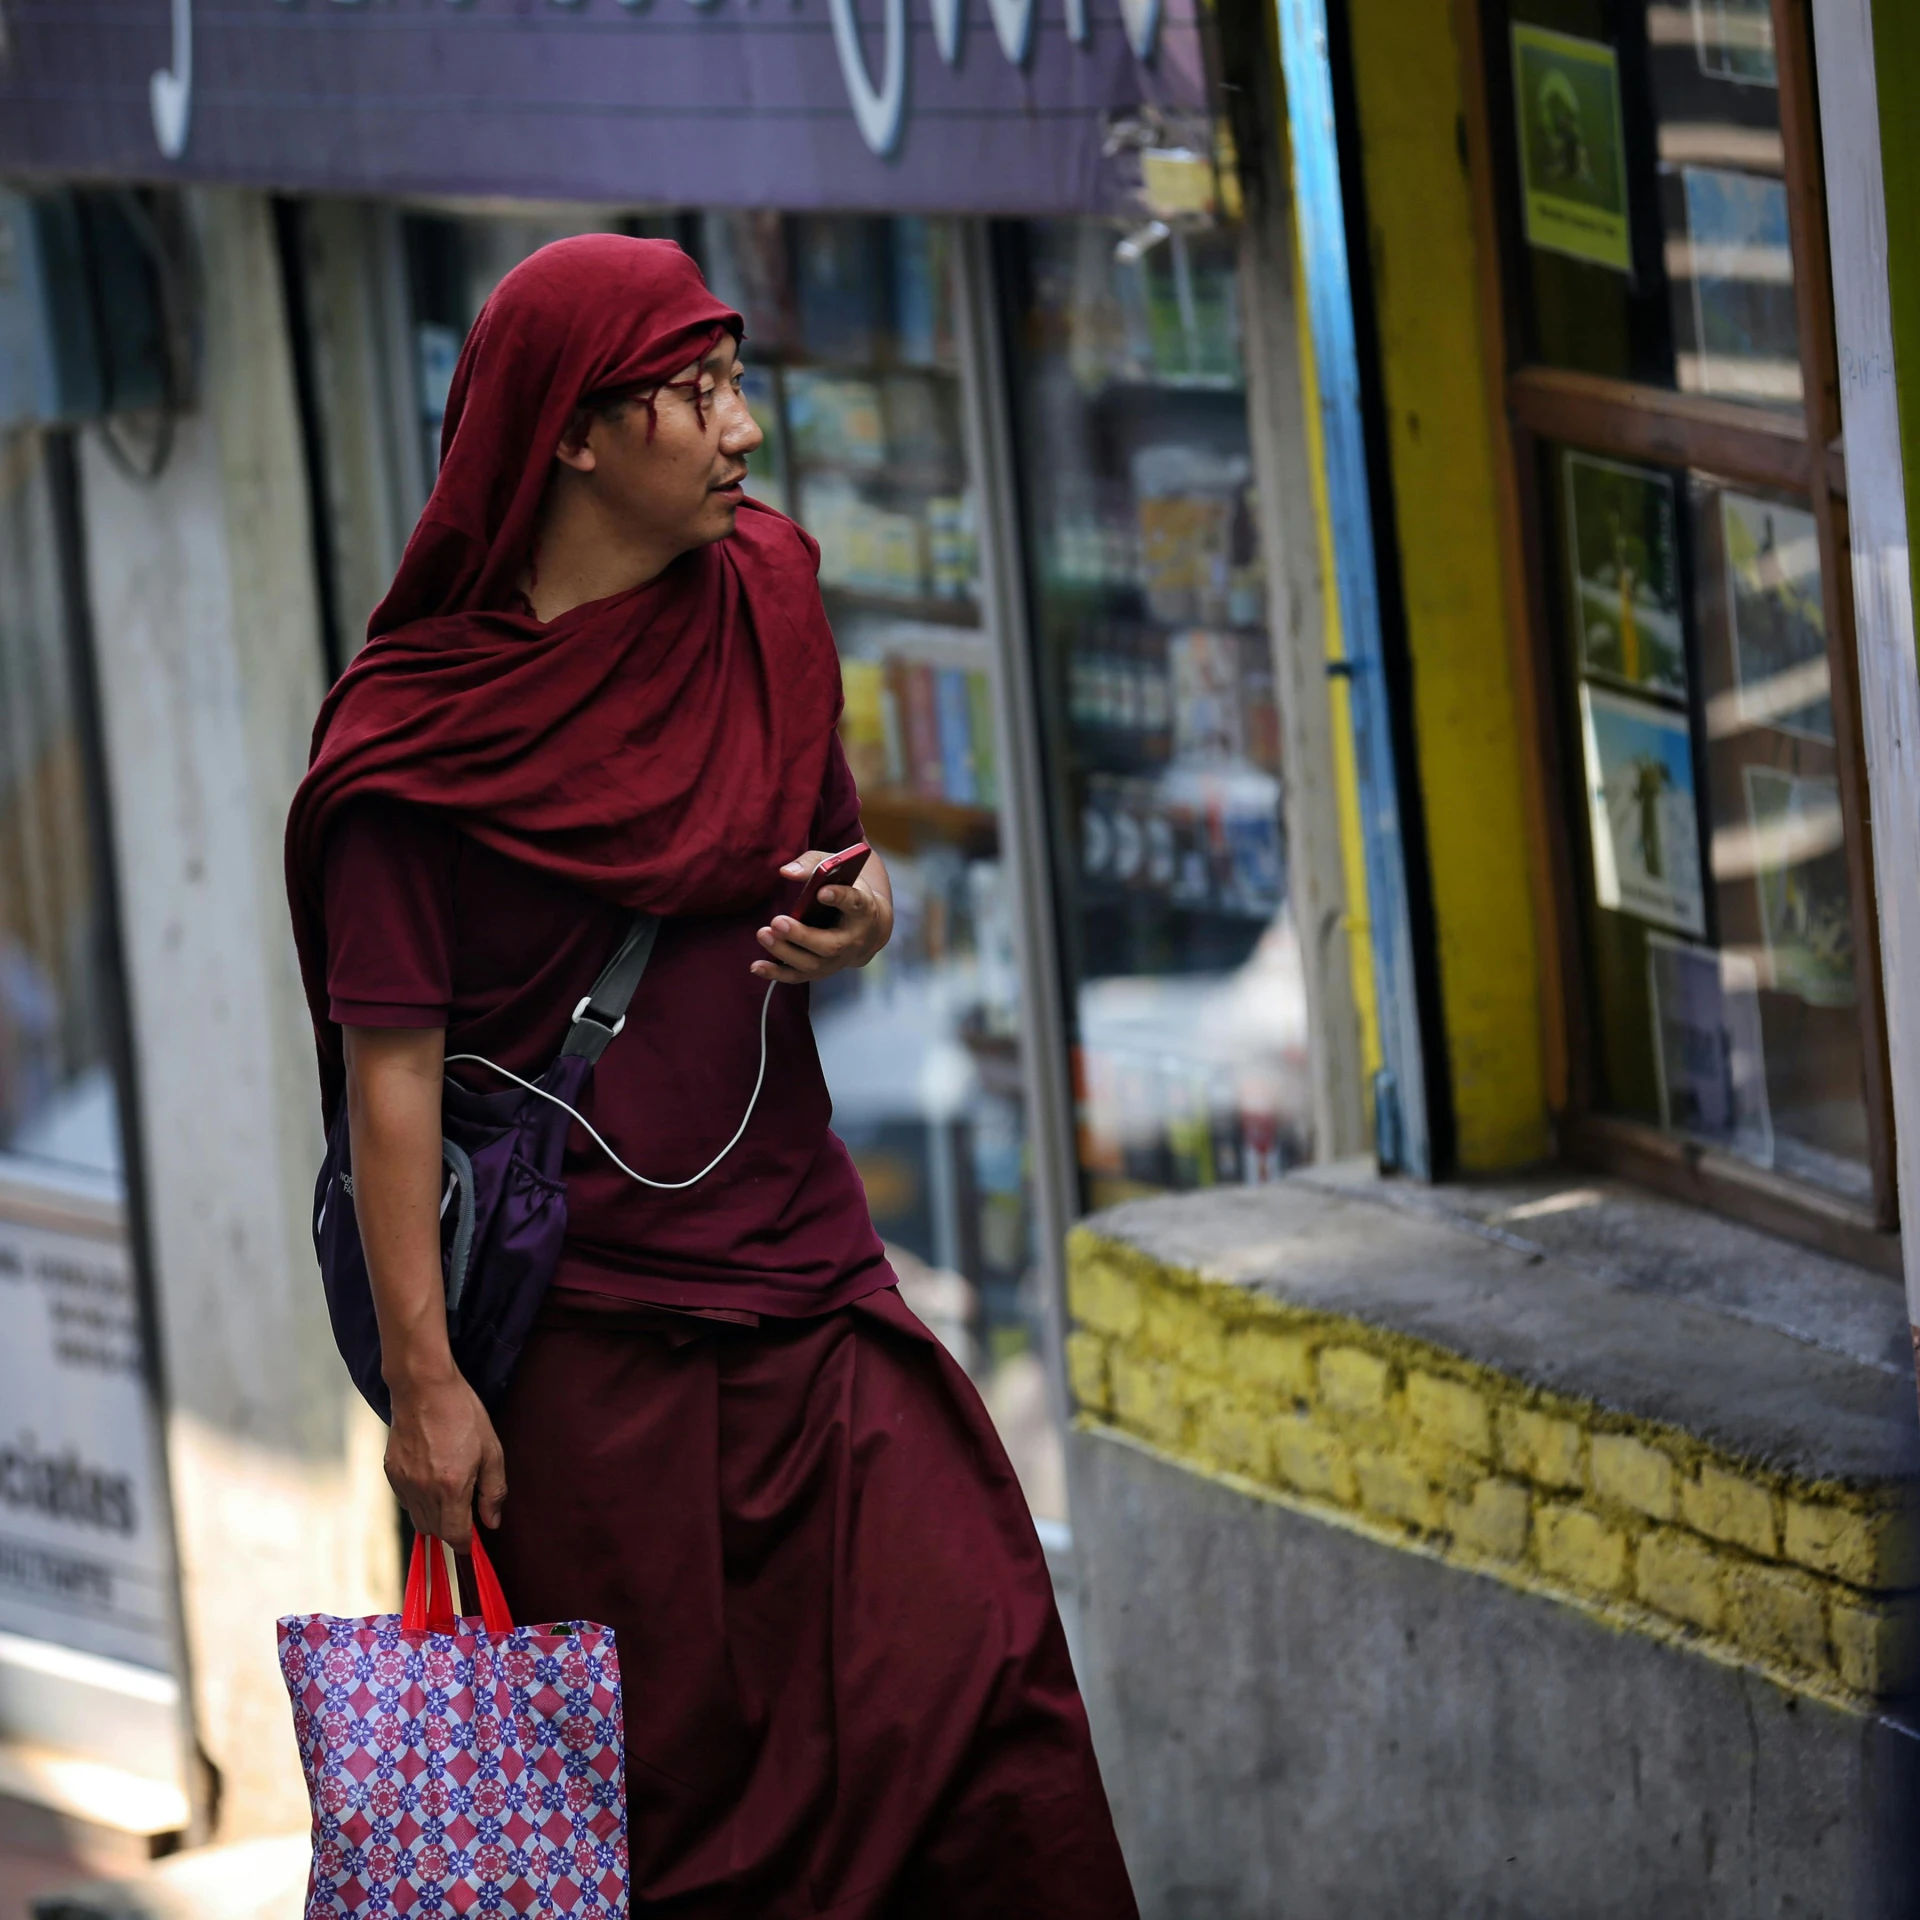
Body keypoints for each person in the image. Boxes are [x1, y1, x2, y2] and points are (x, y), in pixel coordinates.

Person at [284, 235, 1138, 1918]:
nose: (742, 428)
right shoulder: (412, 749)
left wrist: (869, 912)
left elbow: (838, 852)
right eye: (698, 393)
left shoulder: (764, 602)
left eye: (735, 382)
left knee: (983, 1681)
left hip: (807, 1294)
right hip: (591, 1363)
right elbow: (386, 1090)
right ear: (576, 436)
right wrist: (428, 1387)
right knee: (681, 1831)